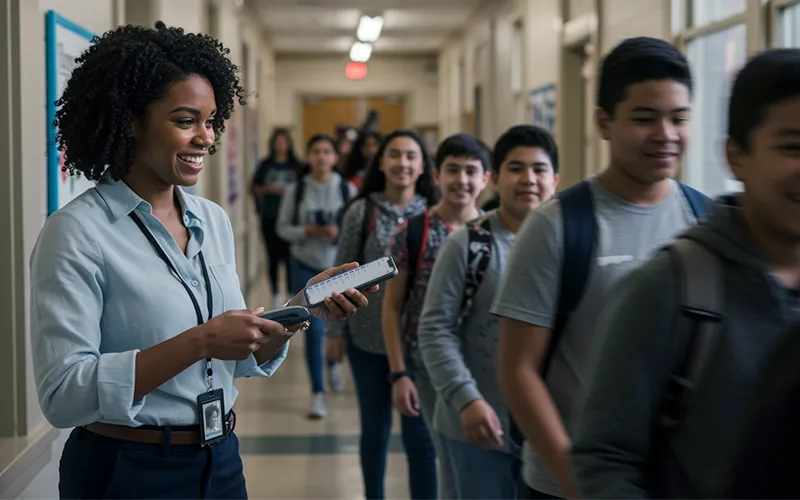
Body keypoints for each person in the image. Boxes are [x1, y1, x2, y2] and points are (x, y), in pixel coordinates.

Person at [30, 21, 375, 500]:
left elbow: (237, 359)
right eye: (185, 120)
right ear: (131, 120)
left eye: (211, 122)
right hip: (127, 470)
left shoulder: (211, 221)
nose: (206, 139)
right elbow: (63, 395)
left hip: (220, 459)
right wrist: (201, 341)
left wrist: (298, 310)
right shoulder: (76, 232)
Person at [570, 47, 800, 499]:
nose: (664, 135)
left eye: (678, 118)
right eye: (792, 146)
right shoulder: (669, 287)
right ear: (736, 156)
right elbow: (603, 457)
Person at [491, 36, 704, 499]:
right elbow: (517, 370)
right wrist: (582, 483)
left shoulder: (705, 220)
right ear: (604, 122)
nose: (666, 134)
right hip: (568, 486)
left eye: (679, 118)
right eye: (645, 118)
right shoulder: (559, 225)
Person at [418, 125, 559, 499]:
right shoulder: (467, 244)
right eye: (516, 168)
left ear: (555, 180)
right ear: (495, 178)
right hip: (476, 427)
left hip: (546, 430)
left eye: (539, 169)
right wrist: (468, 399)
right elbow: (434, 330)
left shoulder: (568, 245)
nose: (528, 179)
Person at [326, 130, 439, 500]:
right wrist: (334, 334)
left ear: (423, 165)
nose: (403, 163)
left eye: (411, 156)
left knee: (420, 436)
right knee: (374, 431)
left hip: (419, 344)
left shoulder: (433, 212)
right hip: (368, 338)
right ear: (382, 162)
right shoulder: (362, 210)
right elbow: (340, 274)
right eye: (395, 155)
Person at [383, 133, 492, 499]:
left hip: (483, 366)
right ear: (437, 174)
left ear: (486, 178)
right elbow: (393, 307)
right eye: (453, 170)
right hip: (424, 368)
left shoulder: (496, 233)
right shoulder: (413, 232)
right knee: (434, 456)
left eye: (471, 171)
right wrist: (399, 373)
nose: (462, 180)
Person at [276, 133, 356, 418]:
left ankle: (334, 364)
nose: (322, 156)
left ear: (335, 157)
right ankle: (317, 392)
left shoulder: (347, 190)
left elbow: (356, 229)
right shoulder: (296, 190)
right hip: (305, 265)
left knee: (339, 322)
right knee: (312, 328)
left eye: (327, 151)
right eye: (316, 151)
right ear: (309, 157)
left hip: (338, 268)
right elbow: (282, 228)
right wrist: (307, 232)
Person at [251, 128, 301, 308]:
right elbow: (254, 188)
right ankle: (274, 294)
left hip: (291, 220)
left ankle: (289, 294)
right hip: (269, 217)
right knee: (272, 258)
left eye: (284, 141)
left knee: (289, 258)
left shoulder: (297, 165)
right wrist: (269, 189)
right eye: (277, 141)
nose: (281, 145)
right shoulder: (265, 165)